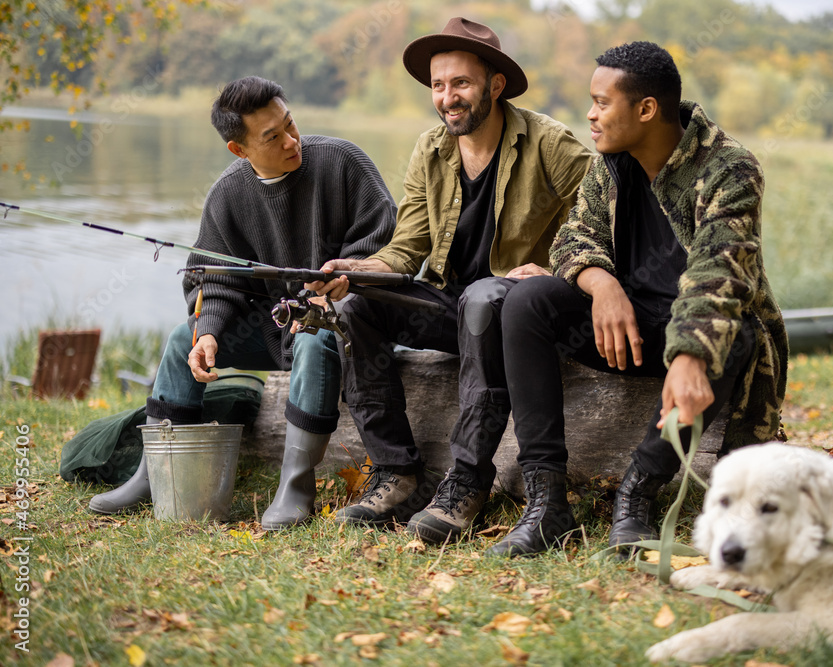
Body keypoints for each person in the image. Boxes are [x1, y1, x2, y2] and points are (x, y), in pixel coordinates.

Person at [487, 41, 788, 557]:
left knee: (735, 335)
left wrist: (690, 354)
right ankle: (546, 504)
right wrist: (602, 285)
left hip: (695, 336)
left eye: (602, 102)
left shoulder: (729, 169)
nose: (590, 114)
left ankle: (637, 497)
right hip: (623, 332)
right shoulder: (611, 161)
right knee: (525, 300)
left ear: (645, 109)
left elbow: (720, 273)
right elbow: (572, 239)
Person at [309, 18, 593, 544]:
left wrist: (559, 270)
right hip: (455, 308)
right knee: (356, 308)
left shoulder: (550, 142)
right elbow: (406, 249)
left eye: (460, 83)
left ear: (495, 85)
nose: (447, 98)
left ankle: (467, 481)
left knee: (485, 297)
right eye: (438, 86)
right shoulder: (431, 149)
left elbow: (609, 219)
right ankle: (397, 473)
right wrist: (355, 272)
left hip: (519, 315)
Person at [87, 76, 398, 531]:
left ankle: (295, 487)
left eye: (290, 124)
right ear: (240, 149)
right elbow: (212, 277)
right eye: (273, 137)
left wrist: (336, 286)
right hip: (273, 329)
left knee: (314, 337)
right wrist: (208, 330)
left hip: (344, 324)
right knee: (182, 338)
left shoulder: (343, 162)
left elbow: (387, 241)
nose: (292, 140)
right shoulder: (228, 194)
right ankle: (153, 475)